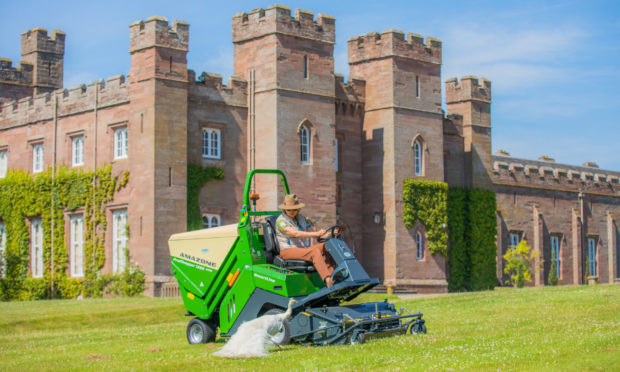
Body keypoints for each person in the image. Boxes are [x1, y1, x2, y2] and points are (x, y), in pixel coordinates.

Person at [275, 194, 336, 287]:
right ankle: (328, 280)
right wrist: (316, 234)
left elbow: (312, 232)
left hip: (302, 250)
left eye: (294, 209)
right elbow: (295, 233)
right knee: (314, 252)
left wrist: (329, 234)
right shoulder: (281, 221)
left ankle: (334, 276)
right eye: (289, 209)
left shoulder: (302, 218)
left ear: (298, 209)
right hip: (287, 251)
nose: (292, 212)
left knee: (327, 245)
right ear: (284, 209)